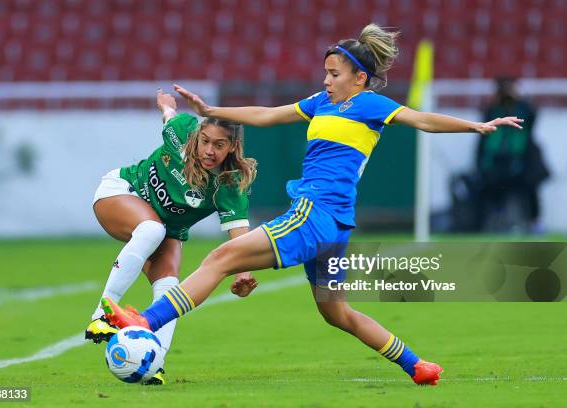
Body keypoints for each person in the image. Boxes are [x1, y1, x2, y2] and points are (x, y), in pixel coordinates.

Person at [99, 24, 523, 386]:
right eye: (325, 73)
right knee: (336, 311)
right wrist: (212, 109)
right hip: (335, 228)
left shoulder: (370, 105)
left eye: (334, 74)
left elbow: (422, 119)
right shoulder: (321, 104)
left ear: (359, 78)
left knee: (222, 257)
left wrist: (475, 125)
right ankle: (418, 367)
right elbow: (267, 115)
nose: (325, 81)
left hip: (314, 214)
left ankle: (145, 324)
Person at [86, 89, 258, 384]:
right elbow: (170, 118)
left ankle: (155, 362)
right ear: (199, 134)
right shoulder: (182, 132)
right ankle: (101, 315)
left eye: (219, 145)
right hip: (121, 193)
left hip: (164, 229)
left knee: (170, 290)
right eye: (205, 141)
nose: (208, 151)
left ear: (232, 146)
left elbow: (239, 237)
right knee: (152, 228)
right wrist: (166, 105)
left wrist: (243, 273)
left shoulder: (229, 186)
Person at [474, 76, 549, 232]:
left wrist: (518, 98)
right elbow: (483, 126)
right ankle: (495, 222)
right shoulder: (492, 110)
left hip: (522, 160)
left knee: (529, 189)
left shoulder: (523, 109)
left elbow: (533, 117)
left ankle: (534, 222)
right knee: (490, 188)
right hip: (496, 160)